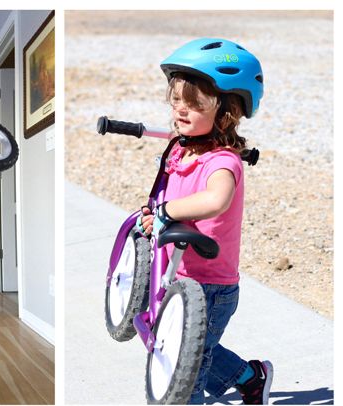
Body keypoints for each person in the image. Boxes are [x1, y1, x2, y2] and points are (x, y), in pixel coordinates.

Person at [139, 38, 271, 405]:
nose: (181, 110)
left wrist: (169, 212)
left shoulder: (222, 162)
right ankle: (250, 378)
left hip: (210, 287)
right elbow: (170, 197)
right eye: (176, 100)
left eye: (195, 103)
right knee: (195, 348)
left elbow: (215, 200)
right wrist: (157, 214)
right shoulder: (182, 152)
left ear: (226, 112)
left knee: (186, 369)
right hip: (178, 273)